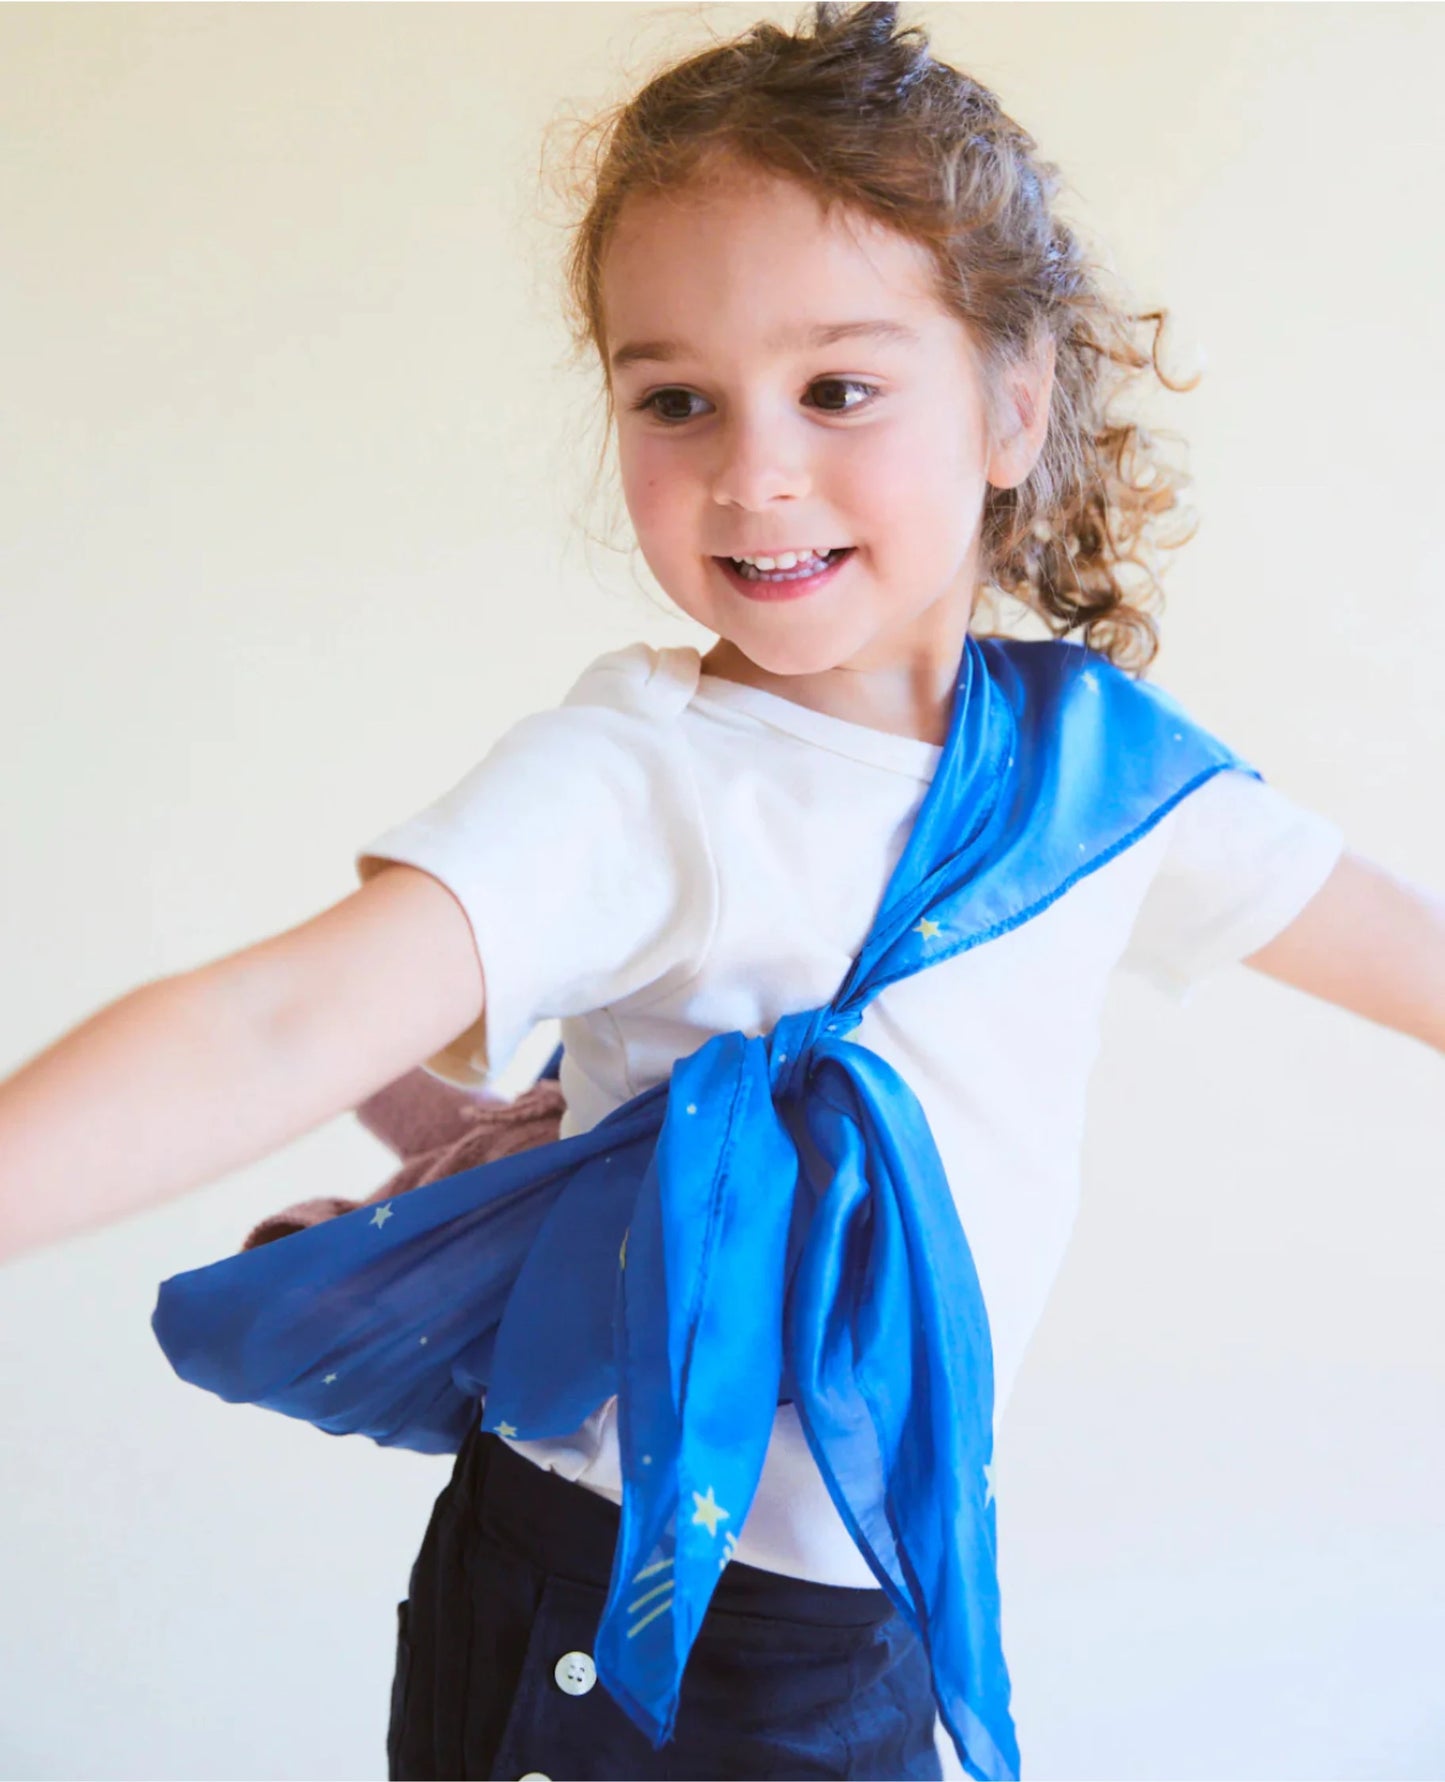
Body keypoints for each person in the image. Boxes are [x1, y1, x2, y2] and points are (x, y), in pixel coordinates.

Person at [2, 4, 1440, 1779]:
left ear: (1010, 402)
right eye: (675, 396)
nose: (753, 467)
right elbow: (284, 1014)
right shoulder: (637, 775)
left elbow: (1414, 958)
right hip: (582, 1596)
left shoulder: (1103, 783)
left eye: (837, 387)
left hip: (860, 1607)